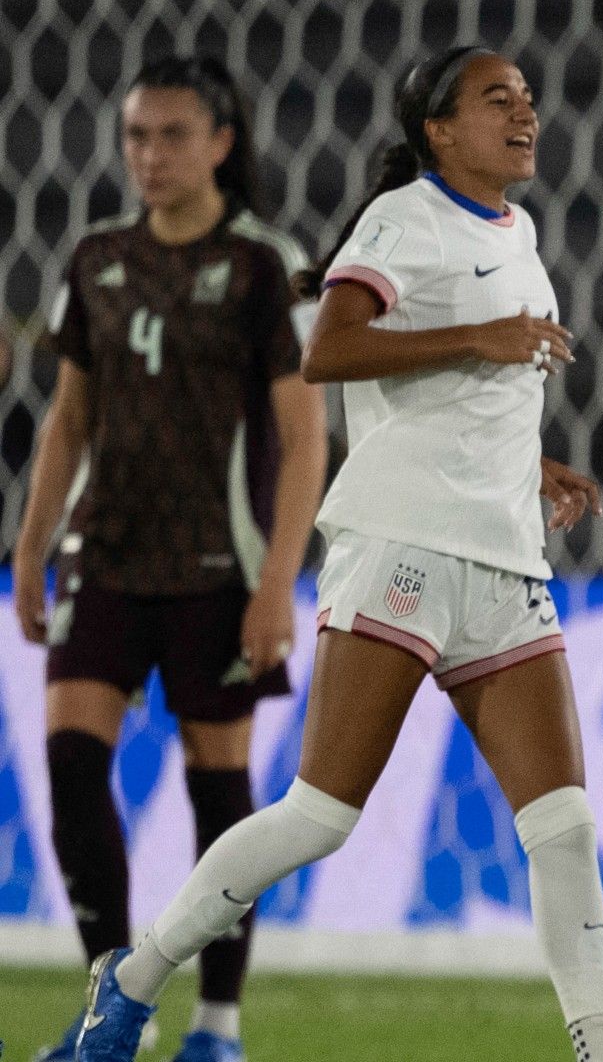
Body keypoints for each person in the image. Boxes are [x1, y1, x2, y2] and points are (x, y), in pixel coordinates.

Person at [67, 46, 603, 1062]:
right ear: (439, 132)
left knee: (566, 828)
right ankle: (139, 975)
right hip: (403, 544)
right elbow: (327, 351)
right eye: (496, 100)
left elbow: (469, 385)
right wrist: (485, 340)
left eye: (530, 99)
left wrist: (533, 462)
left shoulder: (524, 230)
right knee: (322, 815)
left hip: (503, 559)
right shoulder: (402, 218)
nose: (526, 114)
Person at [15, 55, 326, 1062]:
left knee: (217, 792)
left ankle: (218, 1027)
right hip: (104, 555)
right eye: (137, 136)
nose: (150, 156)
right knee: (69, 768)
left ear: (222, 144)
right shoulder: (96, 258)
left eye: (172, 135)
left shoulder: (263, 266)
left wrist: (279, 578)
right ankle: (116, 1001)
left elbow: (304, 433)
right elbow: (68, 423)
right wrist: (28, 550)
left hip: (218, 568)